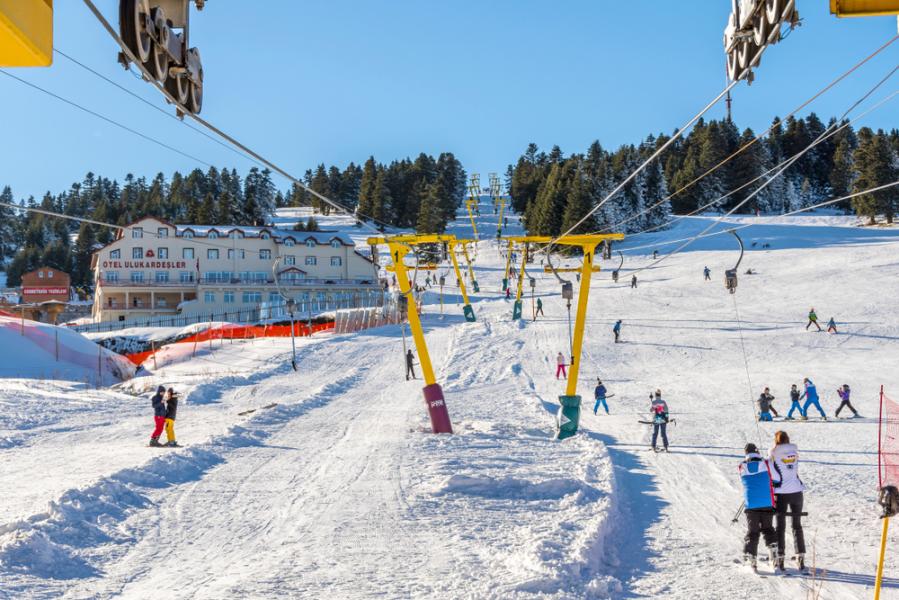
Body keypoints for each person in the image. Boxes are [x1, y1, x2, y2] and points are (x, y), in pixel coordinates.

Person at [769, 431, 807, 574]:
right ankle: (801, 557)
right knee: (797, 525)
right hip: (797, 491)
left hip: (782, 493)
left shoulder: (773, 453)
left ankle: (780, 558)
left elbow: (770, 469)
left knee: (780, 526)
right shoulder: (795, 452)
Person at [739, 443, 778, 570]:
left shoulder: (742, 467)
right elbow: (776, 478)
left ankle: (751, 557)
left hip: (751, 504)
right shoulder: (766, 464)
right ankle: (773, 553)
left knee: (753, 531)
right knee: (768, 528)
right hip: (767, 502)